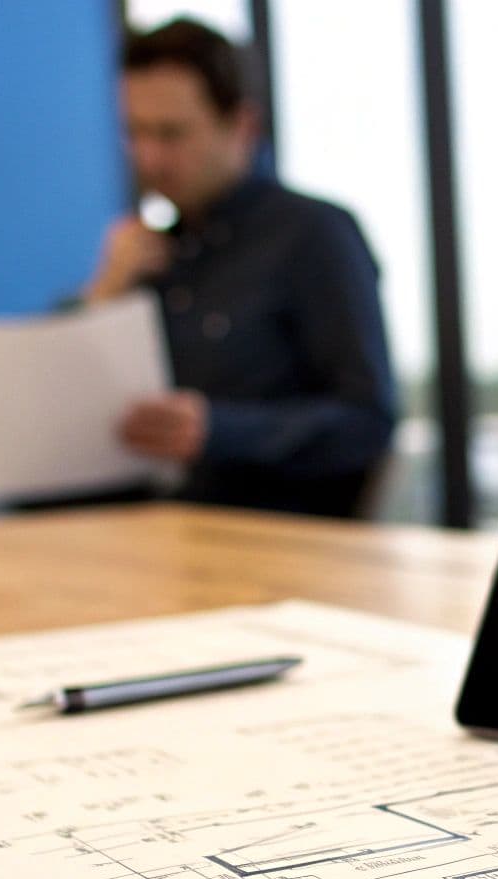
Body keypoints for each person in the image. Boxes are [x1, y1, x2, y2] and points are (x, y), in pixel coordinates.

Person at [87, 18, 397, 519]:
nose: (149, 158)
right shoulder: (144, 256)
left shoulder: (313, 234)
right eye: (135, 133)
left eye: (171, 134)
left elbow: (367, 423)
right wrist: (101, 295)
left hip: (274, 540)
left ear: (241, 127)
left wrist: (218, 430)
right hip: (152, 541)